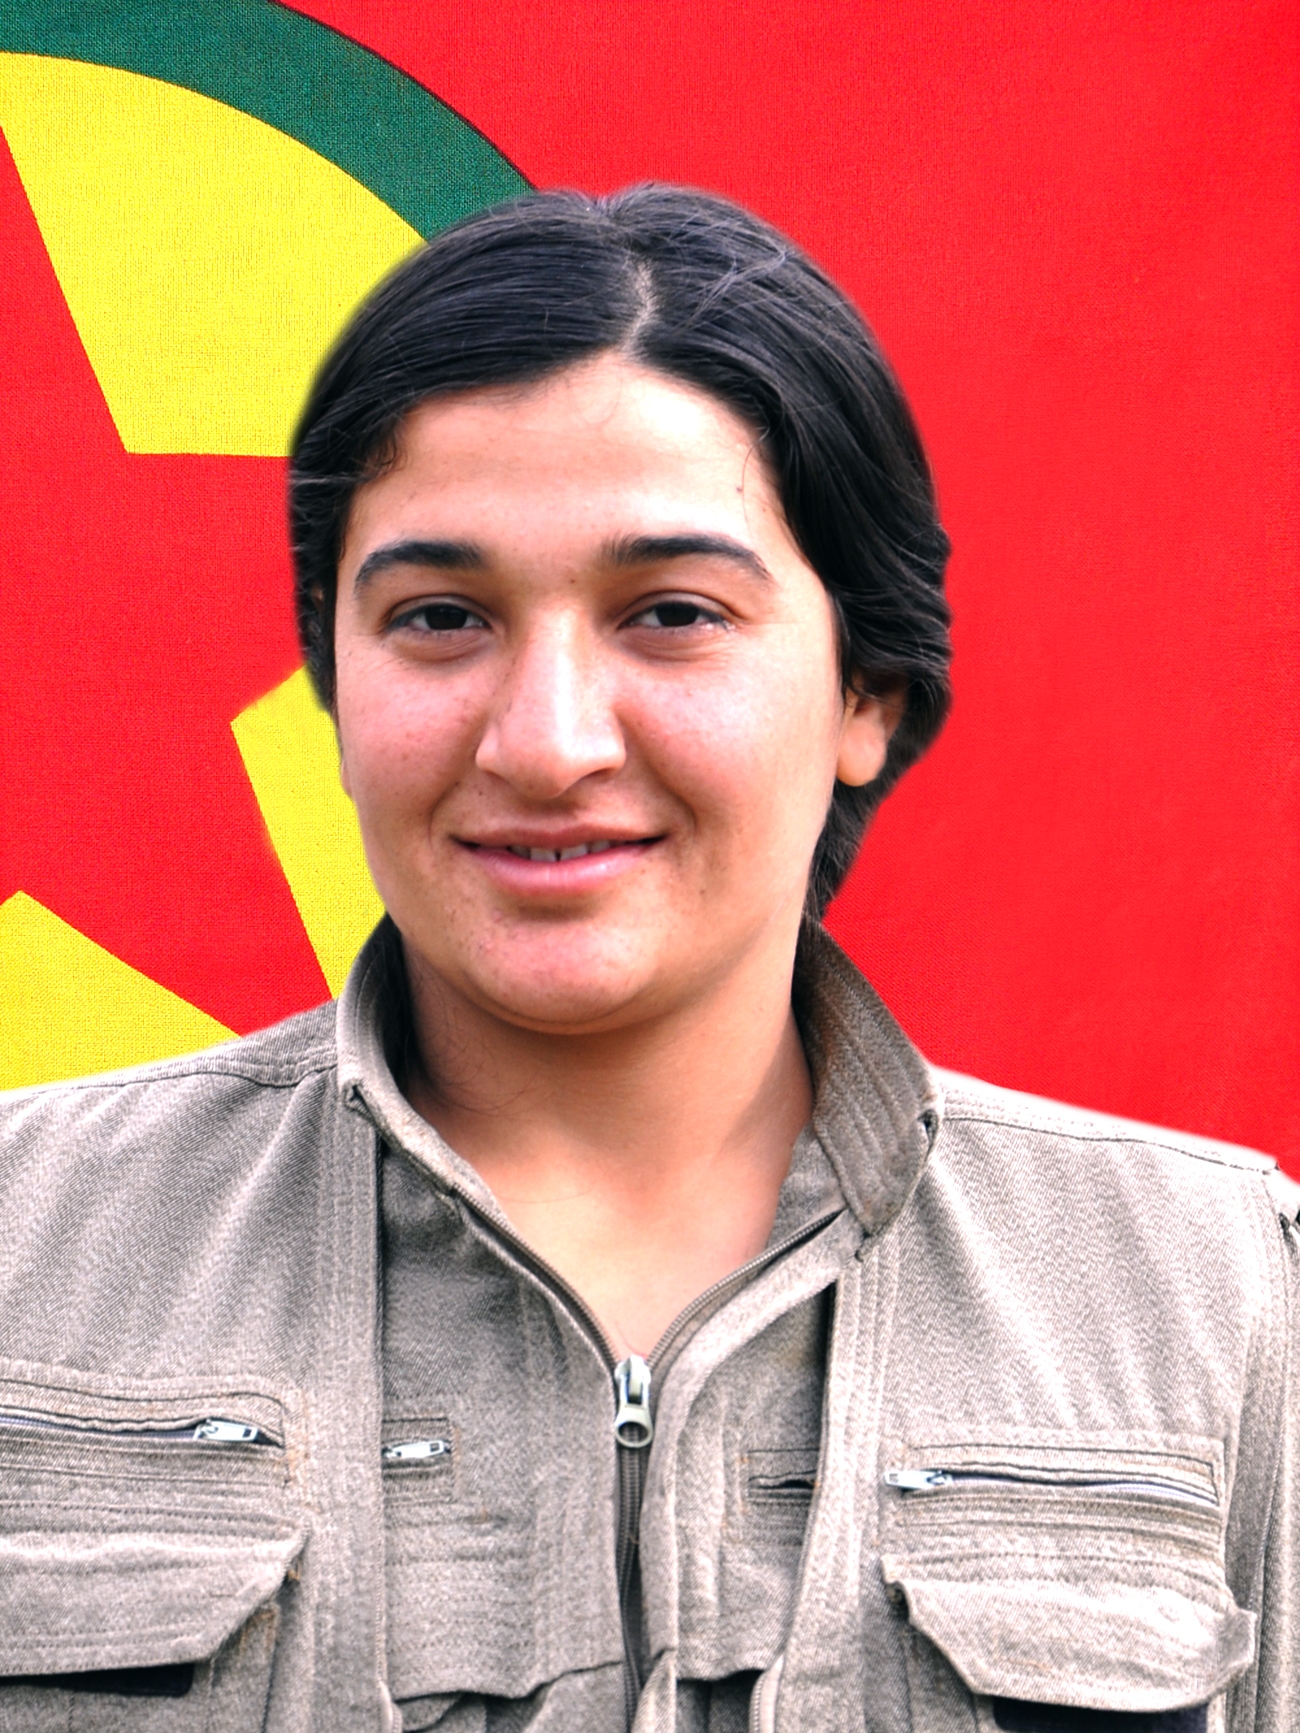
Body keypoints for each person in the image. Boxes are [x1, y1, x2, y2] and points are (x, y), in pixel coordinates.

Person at [0, 185, 1294, 1733]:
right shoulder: (26, 1248)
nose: (546, 742)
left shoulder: (1214, 1292)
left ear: (867, 689)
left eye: (671, 612)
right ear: (333, 677)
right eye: (440, 616)